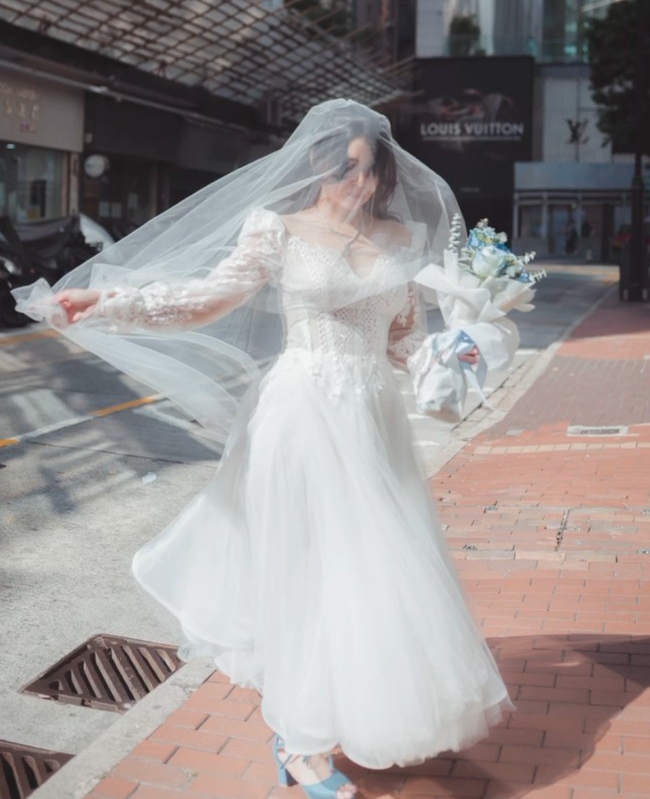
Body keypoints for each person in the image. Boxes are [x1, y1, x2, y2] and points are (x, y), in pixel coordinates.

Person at [15, 100, 513, 798]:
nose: (362, 186)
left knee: (369, 572)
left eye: (374, 173)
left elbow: (402, 341)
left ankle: (335, 714)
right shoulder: (276, 230)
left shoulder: (401, 238)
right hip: (300, 416)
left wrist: (452, 354)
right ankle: (304, 743)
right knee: (310, 573)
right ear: (319, 163)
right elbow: (204, 300)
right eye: (350, 171)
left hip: (373, 421)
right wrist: (108, 303)